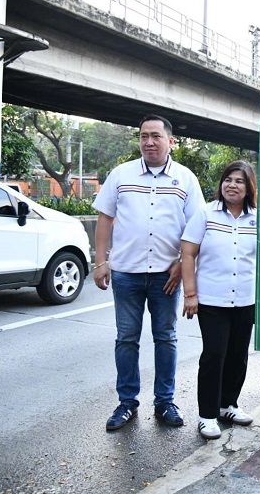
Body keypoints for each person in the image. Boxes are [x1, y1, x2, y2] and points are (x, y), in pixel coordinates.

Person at [93, 115, 205, 432]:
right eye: (143, 136)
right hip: (126, 274)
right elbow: (104, 219)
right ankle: (127, 403)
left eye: (156, 136)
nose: (149, 141)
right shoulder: (121, 175)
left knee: (166, 338)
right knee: (126, 339)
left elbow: (195, 228)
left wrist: (181, 264)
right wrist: (100, 262)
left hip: (165, 277)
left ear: (171, 141)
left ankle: (165, 402)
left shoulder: (185, 179)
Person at [180, 161, 258, 440]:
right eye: (228, 179)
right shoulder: (206, 214)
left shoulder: (257, 219)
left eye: (239, 181)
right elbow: (187, 254)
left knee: (238, 357)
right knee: (214, 355)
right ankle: (207, 415)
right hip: (212, 301)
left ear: (249, 187)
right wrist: (190, 294)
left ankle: (228, 405)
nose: (232, 185)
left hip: (247, 299)